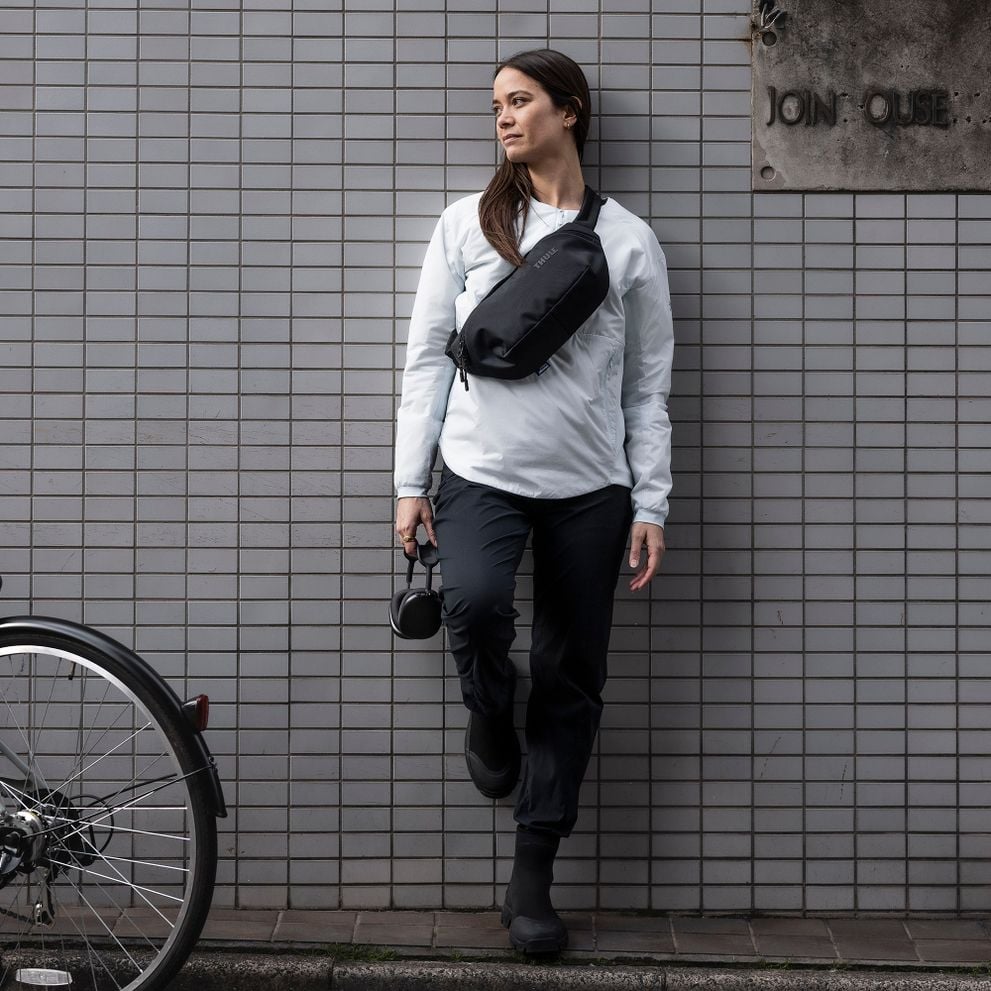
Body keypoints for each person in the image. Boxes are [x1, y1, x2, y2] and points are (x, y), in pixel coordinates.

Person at [393, 48, 674, 954]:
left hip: (591, 491)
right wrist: (409, 482)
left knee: (572, 677)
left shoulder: (629, 241)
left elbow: (646, 390)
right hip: (478, 473)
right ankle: (486, 706)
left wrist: (650, 502)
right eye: (495, 106)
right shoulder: (468, 226)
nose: (503, 119)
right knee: (472, 607)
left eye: (519, 102)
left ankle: (532, 873)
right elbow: (429, 356)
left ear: (570, 111)